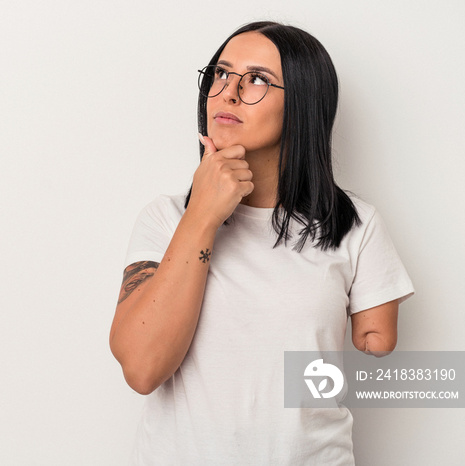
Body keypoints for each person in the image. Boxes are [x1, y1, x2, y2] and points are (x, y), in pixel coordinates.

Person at [109, 21, 414, 464]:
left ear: (304, 106)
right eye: (221, 74)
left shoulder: (353, 224)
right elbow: (141, 369)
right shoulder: (166, 218)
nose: (228, 92)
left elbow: (377, 340)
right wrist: (203, 216)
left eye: (256, 80)